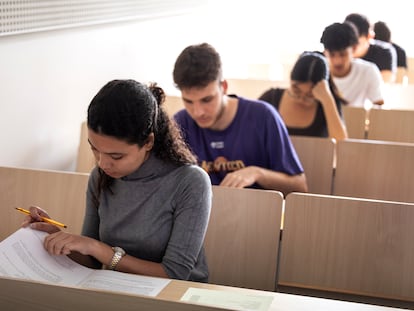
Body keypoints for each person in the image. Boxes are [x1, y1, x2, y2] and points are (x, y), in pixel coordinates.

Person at [22, 79, 212, 282]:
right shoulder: (100, 177)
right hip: (119, 290)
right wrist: (55, 236)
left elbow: (175, 274)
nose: (103, 163)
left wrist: (101, 250)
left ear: (148, 141)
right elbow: (91, 262)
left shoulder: (189, 181)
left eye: (116, 156)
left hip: (175, 297)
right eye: (94, 149)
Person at [172, 43, 308, 196]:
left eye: (207, 100)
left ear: (223, 87)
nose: (198, 112)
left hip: (257, 215)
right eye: (188, 101)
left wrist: (257, 173)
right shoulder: (179, 124)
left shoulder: (263, 117)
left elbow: (299, 186)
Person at [258, 51, 348, 140]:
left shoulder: (326, 104)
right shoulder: (271, 98)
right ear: (291, 80)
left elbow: (341, 144)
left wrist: (327, 100)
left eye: (309, 95)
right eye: (296, 91)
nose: (301, 99)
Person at [320, 22, 385, 108]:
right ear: (325, 52)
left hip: (356, 120)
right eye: (332, 55)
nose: (337, 61)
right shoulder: (318, 72)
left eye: (343, 54)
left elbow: (379, 107)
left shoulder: (368, 71)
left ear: (354, 48)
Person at [344, 13, 397, 83]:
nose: (351, 48)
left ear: (370, 37)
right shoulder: (335, 52)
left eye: (356, 43)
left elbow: (384, 84)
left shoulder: (384, 52)